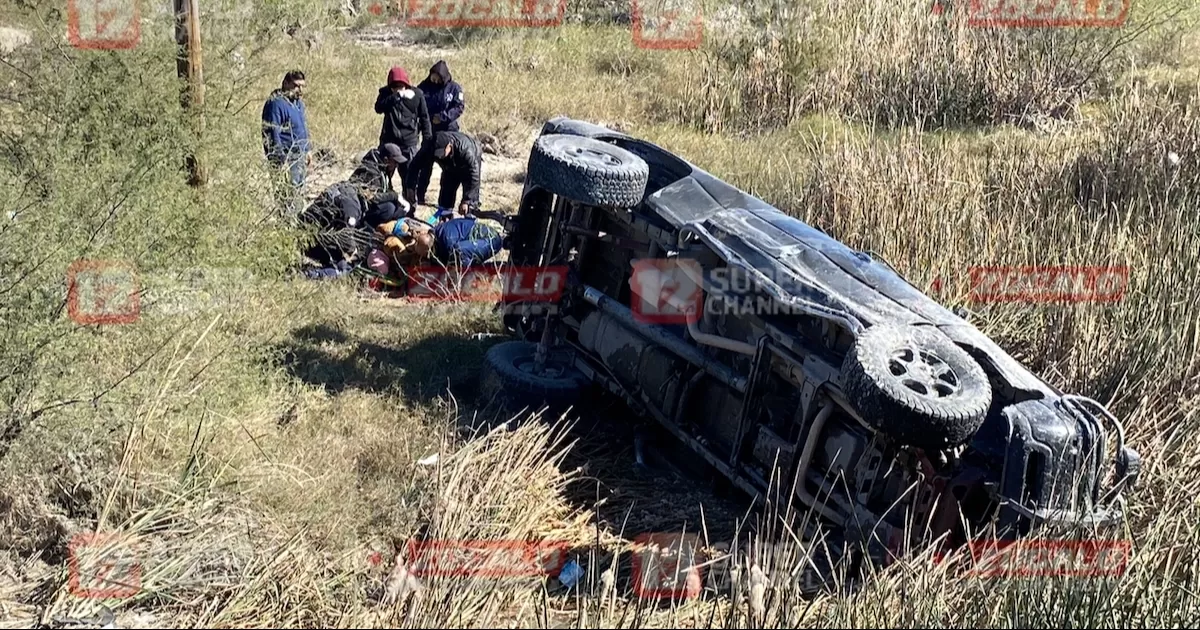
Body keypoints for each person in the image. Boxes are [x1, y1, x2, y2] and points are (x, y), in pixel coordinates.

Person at [414, 60, 465, 205]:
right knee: (425, 166)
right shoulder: (424, 87)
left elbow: (459, 107)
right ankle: (420, 195)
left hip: (449, 132)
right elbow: (417, 103)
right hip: (430, 132)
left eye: (438, 77)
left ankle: (445, 201)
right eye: (432, 76)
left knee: (449, 167)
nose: (435, 80)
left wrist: (443, 117)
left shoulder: (454, 88)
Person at [262, 70, 311, 214]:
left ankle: (297, 220)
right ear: (286, 83)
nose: (300, 90)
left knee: (299, 190)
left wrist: (308, 149)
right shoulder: (276, 103)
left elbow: (303, 125)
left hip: (300, 154)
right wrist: (278, 158)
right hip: (286, 156)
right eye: (296, 86)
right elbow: (272, 132)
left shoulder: (298, 103)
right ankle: (287, 223)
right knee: (287, 192)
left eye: (302, 87)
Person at [404, 130, 482, 220]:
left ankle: (470, 221)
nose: (440, 157)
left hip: (469, 166)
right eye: (437, 155)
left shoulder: (466, 150)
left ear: (449, 146)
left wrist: (467, 200)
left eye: (441, 153)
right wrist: (410, 187)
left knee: (469, 204)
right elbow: (415, 165)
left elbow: (474, 176)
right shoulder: (430, 146)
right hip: (450, 168)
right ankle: (445, 219)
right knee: (446, 195)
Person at [374, 66, 431, 187]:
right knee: (383, 177)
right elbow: (378, 108)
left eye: (401, 86)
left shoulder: (417, 95)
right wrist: (396, 96)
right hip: (389, 142)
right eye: (395, 87)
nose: (399, 89)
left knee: (410, 178)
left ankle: (410, 203)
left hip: (409, 143)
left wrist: (427, 140)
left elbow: (425, 118)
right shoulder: (385, 94)